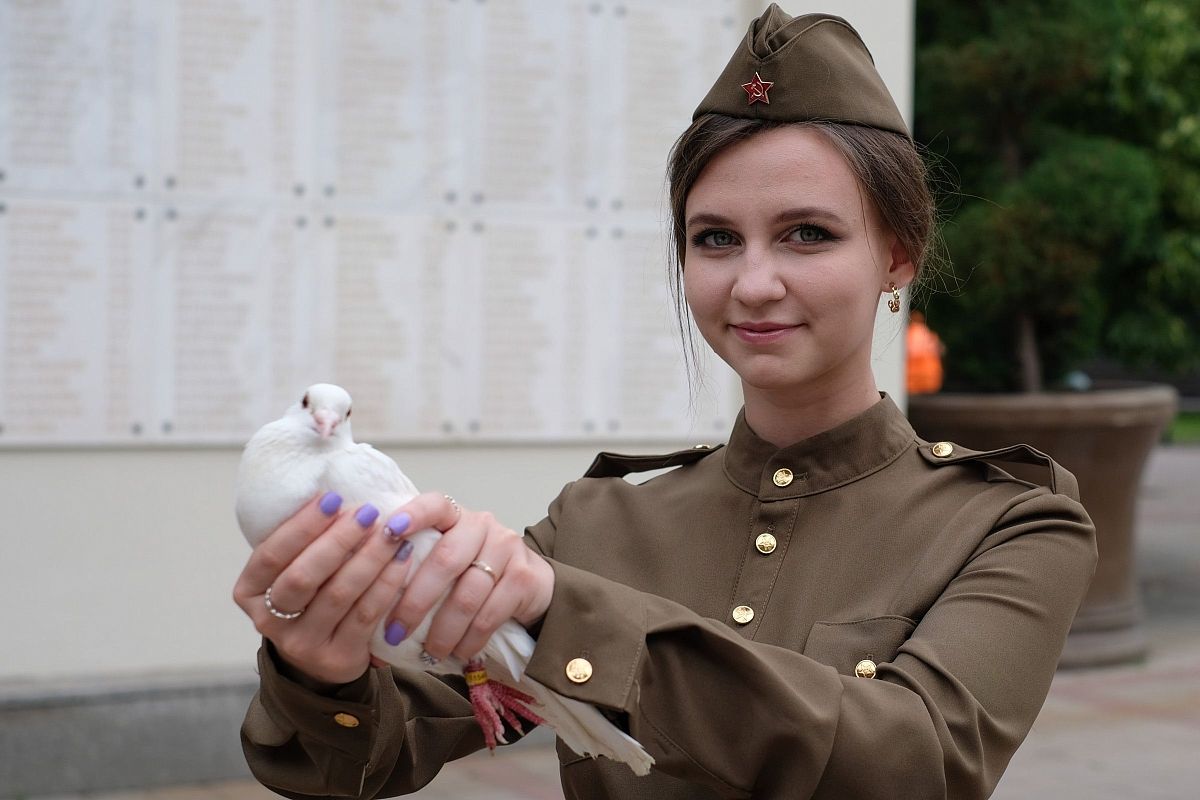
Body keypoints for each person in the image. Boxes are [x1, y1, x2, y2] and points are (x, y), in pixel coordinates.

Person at [234, 6, 1096, 798]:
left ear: (898, 258)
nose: (754, 283)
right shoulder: (596, 528)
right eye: (715, 238)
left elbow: (919, 761)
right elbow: (370, 752)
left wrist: (561, 611)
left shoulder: (1011, 523)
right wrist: (323, 667)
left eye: (808, 234)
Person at [907, 310, 945, 394]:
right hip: (929, 378)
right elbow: (940, 349)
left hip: (914, 379)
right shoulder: (927, 332)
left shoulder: (911, 332)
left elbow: (912, 350)